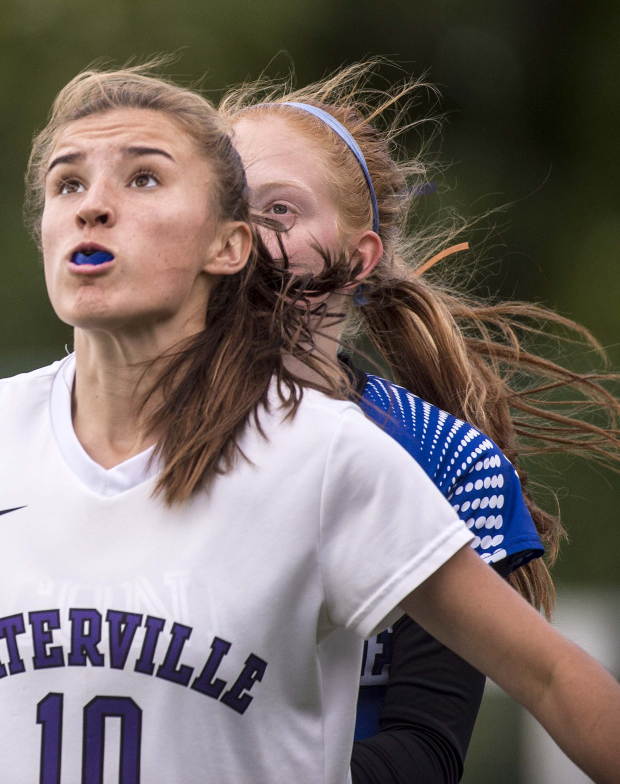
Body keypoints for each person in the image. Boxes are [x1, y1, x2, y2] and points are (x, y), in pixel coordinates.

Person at [0, 67, 620, 784]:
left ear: (221, 244)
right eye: (66, 184)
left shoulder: (336, 455)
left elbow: (539, 681)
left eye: (145, 179)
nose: (93, 206)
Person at [223, 60, 620, 782]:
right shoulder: (113, 432)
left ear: (358, 255)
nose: (248, 233)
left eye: (279, 209)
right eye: (227, 207)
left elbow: (427, 745)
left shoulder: (438, 456)